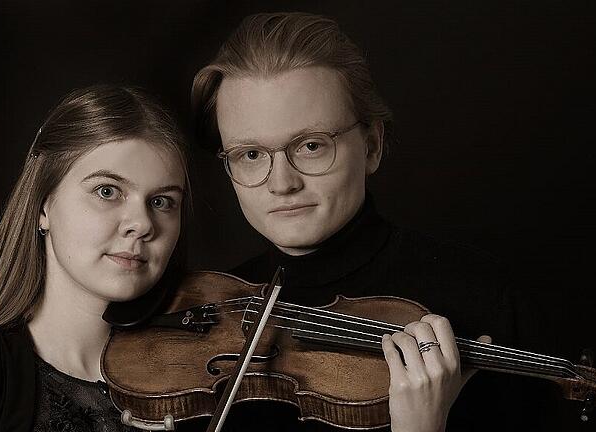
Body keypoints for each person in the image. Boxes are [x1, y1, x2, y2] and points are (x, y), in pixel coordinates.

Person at [189, 12, 553, 432]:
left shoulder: (488, 299)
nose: (282, 183)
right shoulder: (206, 320)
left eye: (310, 146)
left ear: (373, 145)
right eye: (250, 154)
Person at [0, 84, 190, 431]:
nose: (142, 224)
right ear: (43, 206)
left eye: (162, 202)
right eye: (107, 191)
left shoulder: (201, 388)